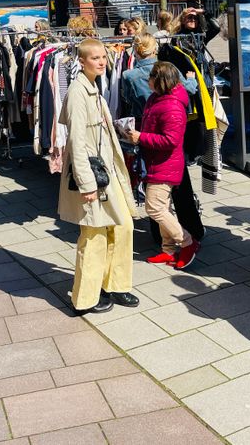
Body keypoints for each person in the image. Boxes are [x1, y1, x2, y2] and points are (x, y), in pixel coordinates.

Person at [58, 38, 138, 315]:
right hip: (93, 174)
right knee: (93, 235)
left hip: (107, 170)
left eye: (103, 56)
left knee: (123, 225)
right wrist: (86, 184)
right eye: (95, 58)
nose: (102, 61)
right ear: (81, 61)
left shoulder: (93, 87)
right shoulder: (78, 92)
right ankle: (85, 298)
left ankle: (114, 284)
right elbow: (76, 142)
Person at [126, 61, 199, 269]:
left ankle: (188, 242)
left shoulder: (171, 105)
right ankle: (168, 250)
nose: (147, 80)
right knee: (163, 206)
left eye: (151, 77)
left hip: (164, 164)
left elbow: (170, 140)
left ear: (160, 81)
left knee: (154, 208)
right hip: (156, 162)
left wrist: (140, 137)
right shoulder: (156, 98)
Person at [122, 33, 197, 121]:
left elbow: (128, 100)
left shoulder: (128, 75)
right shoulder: (169, 68)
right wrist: (191, 79)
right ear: (154, 49)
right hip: (169, 119)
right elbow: (190, 89)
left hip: (142, 121)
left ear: (135, 51)